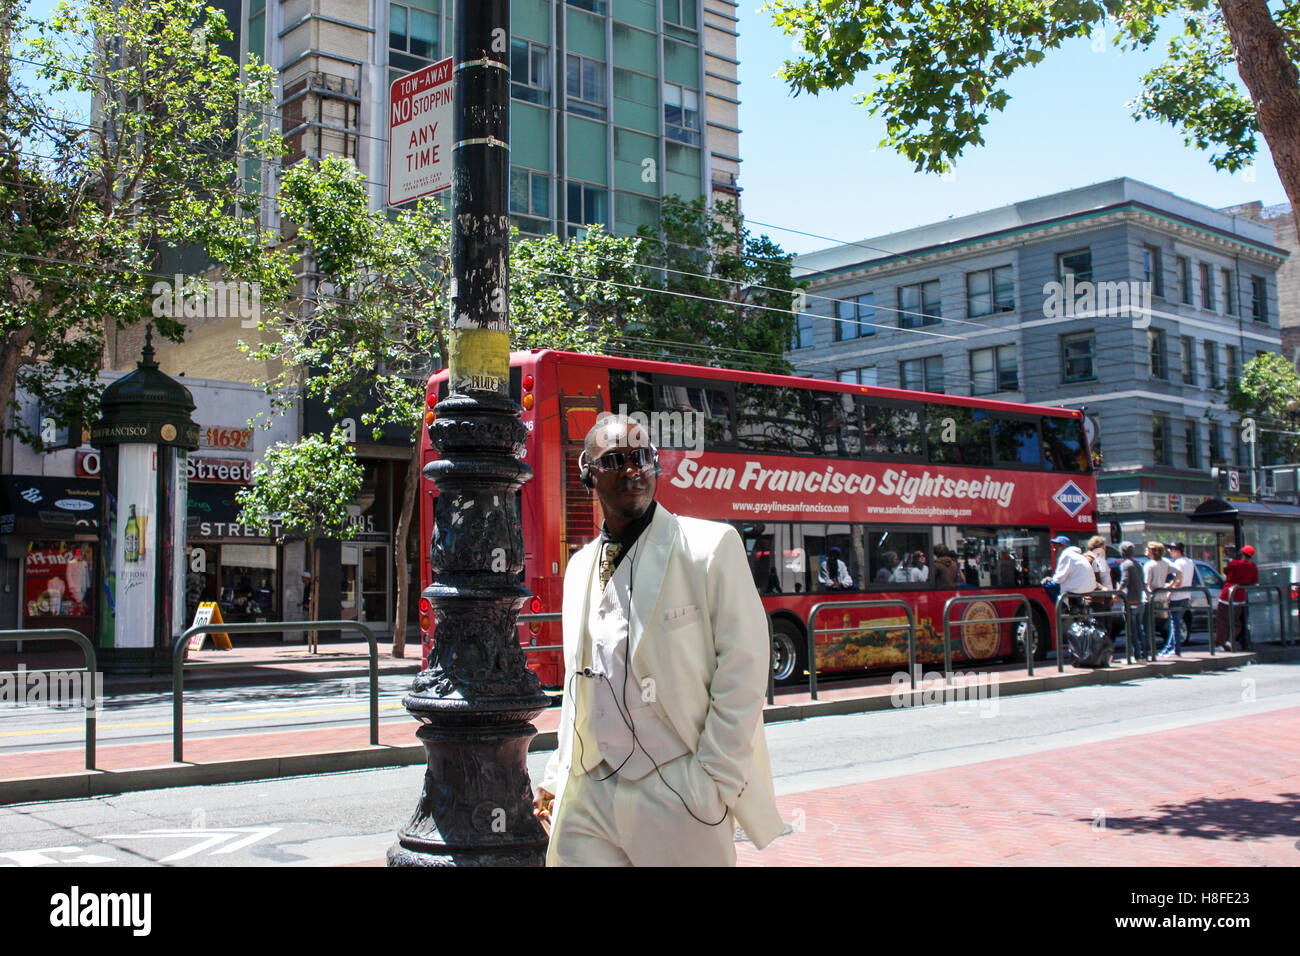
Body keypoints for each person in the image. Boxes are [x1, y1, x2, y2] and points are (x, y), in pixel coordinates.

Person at [534, 418, 782, 866]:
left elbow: (745, 666)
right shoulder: (579, 568)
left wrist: (713, 779)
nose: (632, 470)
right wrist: (557, 775)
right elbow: (579, 683)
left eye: (641, 457)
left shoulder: (709, 547)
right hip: (588, 791)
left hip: (680, 788)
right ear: (587, 472)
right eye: (614, 460)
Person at [1215, 544, 1259, 649]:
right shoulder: (1253, 566)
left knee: (1222, 620)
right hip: (1240, 596)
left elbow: (1226, 571)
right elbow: (1255, 582)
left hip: (1227, 594)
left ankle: (1220, 643)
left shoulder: (1234, 563)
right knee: (1236, 622)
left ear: (1241, 553)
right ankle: (1230, 641)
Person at [1045, 535, 1096, 613]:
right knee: (1070, 585)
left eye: (1057, 546)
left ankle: (1063, 609)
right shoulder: (1077, 555)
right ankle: (1077, 607)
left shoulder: (1066, 555)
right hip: (1089, 588)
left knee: (1048, 585)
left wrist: (1051, 580)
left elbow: (1059, 579)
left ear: (1064, 546)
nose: (1054, 549)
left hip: (1078, 588)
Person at [1161, 541, 1195, 656]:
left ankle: (1174, 649)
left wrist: (1168, 594)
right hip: (1186, 595)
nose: (1170, 552)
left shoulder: (1178, 563)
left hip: (1177, 596)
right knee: (1176, 623)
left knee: (1174, 623)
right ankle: (1169, 647)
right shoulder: (1190, 562)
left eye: (1171, 549)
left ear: (1176, 550)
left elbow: (1177, 581)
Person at [1117, 541, 1146, 659]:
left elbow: (1124, 581)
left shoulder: (1126, 564)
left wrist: (1116, 593)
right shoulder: (1138, 564)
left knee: (1131, 631)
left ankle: (1136, 656)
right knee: (1139, 630)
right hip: (1139, 601)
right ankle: (1145, 654)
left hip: (1130, 601)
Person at [1144, 541, 1172, 654]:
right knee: (1163, 624)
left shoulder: (1149, 565)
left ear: (1151, 551)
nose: (1146, 550)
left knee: (1148, 626)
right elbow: (1178, 572)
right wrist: (1170, 585)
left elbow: (1145, 583)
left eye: (1147, 549)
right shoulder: (1165, 563)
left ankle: (1149, 650)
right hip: (1162, 596)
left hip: (1150, 597)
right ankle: (1163, 647)